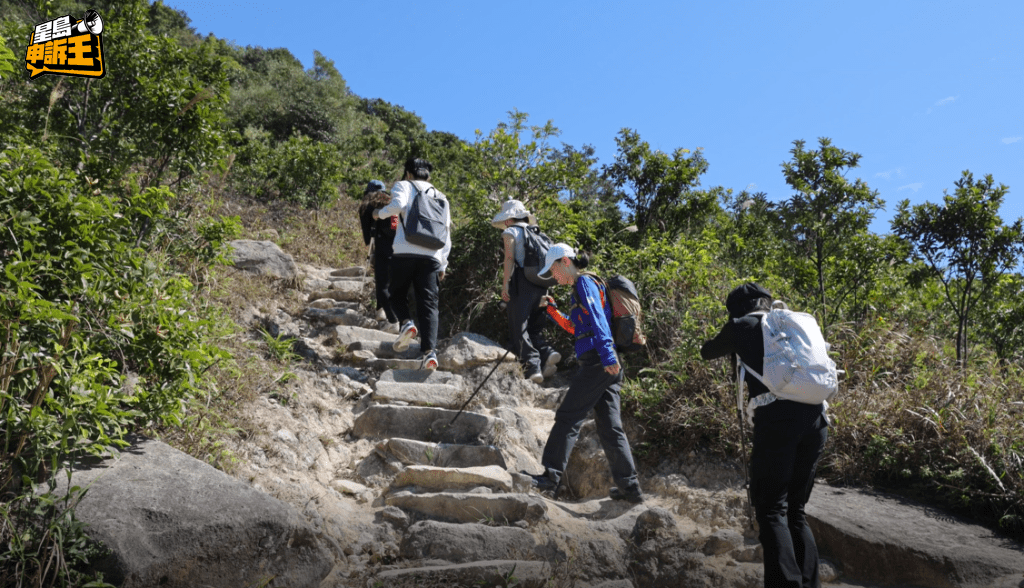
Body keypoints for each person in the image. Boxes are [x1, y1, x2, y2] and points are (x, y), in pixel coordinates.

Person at [700, 283, 828, 588]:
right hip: (817, 418)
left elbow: (707, 351)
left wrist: (731, 330)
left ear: (736, 309)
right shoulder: (792, 324)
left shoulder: (742, 325)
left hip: (778, 421)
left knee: (771, 509)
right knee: (795, 510)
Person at [528, 243, 643, 503]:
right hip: (605, 362)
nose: (554, 276)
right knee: (610, 427)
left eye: (554, 270)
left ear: (566, 262)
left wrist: (607, 355)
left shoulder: (584, 283)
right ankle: (630, 488)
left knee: (568, 417)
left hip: (598, 361)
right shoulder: (581, 288)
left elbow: (599, 321)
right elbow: (575, 328)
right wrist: (552, 310)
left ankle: (550, 478)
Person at [373, 158, 452, 371]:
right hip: (432, 255)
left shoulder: (404, 185)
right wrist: (443, 264)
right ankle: (430, 354)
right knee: (429, 304)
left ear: (408, 173)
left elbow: (397, 206)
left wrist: (379, 214)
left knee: (395, 293)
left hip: (405, 250)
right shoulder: (441, 196)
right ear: (429, 175)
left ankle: (407, 323)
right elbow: (446, 231)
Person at [491, 199, 561, 384]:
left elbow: (509, 259)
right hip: (542, 284)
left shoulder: (510, 232)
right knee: (534, 328)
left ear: (507, 219)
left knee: (519, 328)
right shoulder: (538, 232)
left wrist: (505, 285)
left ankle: (533, 367)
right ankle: (548, 352)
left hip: (522, 284)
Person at [358, 179, 398, 325]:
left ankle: (392, 319)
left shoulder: (367, 205)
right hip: (400, 245)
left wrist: (368, 242)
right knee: (390, 281)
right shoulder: (392, 202)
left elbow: (366, 230)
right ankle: (381, 311)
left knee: (381, 283)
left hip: (382, 246)